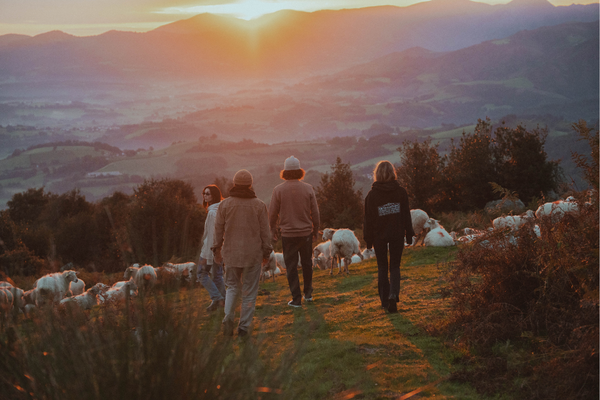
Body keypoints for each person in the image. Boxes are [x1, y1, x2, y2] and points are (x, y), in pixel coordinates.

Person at [212, 169, 272, 337]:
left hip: (231, 254)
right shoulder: (259, 205)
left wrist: (217, 249)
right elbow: (265, 233)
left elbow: (218, 230)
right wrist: (267, 252)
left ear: (235, 184)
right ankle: (244, 327)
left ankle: (228, 318)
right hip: (253, 255)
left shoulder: (224, 205)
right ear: (250, 185)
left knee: (231, 287)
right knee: (249, 291)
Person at [363, 160, 414, 313]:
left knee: (382, 267)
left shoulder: (371, 196)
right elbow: (406, 215)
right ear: (392, 173)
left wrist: (368, 240)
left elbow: (368, 219)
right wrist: (409, 233)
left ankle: (385, 301)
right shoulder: (401, 192)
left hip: (379, 236)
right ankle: (393, 295)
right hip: (397, 234)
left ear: (376, 174)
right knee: (395, 266)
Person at [269, 156, 320, 308]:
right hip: (305, 234)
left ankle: (296, 299)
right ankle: (308, 294)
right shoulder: (308, 188)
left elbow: (272, 213)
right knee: (307, 264)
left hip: (288, 235)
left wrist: (273, 229)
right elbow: (315, 213)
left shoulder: (278, 190)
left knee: (291, 266)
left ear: (285, 172)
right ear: (299, 171)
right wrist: (315, 230)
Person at [197, 184, 226, 312]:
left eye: (207, 193)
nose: (204, 196)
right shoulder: (220, 209)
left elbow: (214, 234)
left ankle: (217, 298)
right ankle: (223, 301)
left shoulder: (213, 212)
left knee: (201, 273)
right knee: (217, 275)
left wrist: (210, 254)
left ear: (214, 195)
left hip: (212, 249)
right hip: (219, 248)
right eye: (204, 193)